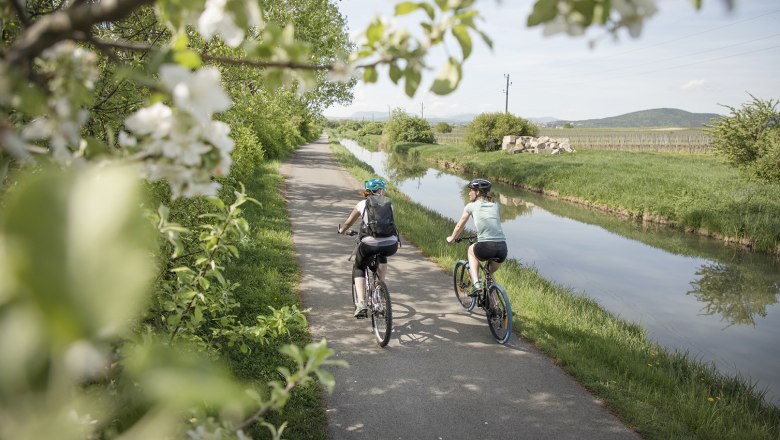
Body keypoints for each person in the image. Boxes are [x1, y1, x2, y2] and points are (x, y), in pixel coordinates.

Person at [338, 177, 400, 318]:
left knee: (359, 266)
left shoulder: (362, 204)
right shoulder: (389, 204)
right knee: (382, 253)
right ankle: (380, 287)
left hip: (369, 244)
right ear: (381, 190)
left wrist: (342, 231)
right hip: (391, 244)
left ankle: (361, 304)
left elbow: (348, 223)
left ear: (368, 191)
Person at [446, 178, 507, 295]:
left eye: (472, 190)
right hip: (502, 248)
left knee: (470, 250)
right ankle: (495, 305)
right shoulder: (496, 206)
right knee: (489, 273)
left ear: (478, 192)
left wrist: (452, 238)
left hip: (486, 246)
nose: (469, 193)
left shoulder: (471, 206)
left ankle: (476, 285)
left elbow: (459, 226)